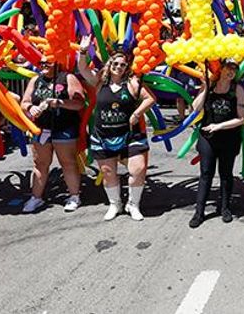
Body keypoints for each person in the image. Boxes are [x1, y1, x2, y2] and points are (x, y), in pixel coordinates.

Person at [78, 44, 155, 221]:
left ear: (127, 67)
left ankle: (133, 204)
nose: (119, 66)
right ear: (110, 64)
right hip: (103, 135)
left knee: (138, 169)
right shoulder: (99, 82)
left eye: (122, 64)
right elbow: (82, 68)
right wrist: (83, 51)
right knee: (108, 172)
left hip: (130, 135)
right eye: (116, 63)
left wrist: (137, 113)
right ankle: (115, 204)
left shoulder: (132, 83)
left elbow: (150, 98)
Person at [20, 57, 85, 213]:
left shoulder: (67, 77)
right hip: (41, 128)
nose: (43, 65)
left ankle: (74, 196)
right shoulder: (36, 80)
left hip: (64, 127)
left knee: (67, 162)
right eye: (40, 62)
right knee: (40, 164)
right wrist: (30, 108)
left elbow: (79, 103)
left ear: (57, 62)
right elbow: (24, 101)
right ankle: (36, 197)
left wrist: (60, 103)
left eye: (47, 62)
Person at [189, 61, 244, 227]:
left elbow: (242, 118)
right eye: (228, 67)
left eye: (234, 69)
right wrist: (206, 87)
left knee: (226, 174)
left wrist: (219, 126)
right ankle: (199, 212)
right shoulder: (209, 85)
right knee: (206, 174)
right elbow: (195, 108)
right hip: (208, 138)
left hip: (229, 138)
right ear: (220, 69)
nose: (231, 71)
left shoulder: (237, 89)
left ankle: (225, 208)